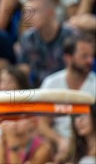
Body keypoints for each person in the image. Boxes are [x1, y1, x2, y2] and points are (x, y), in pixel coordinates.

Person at [38, 34, 96, 163]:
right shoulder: (51, 83)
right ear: (68, 58)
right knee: (43, 147)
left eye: (92, 56)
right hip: (57, 142)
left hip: (86, 142)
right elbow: (41, 123)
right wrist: (59, 140)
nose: (90, 61)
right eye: (84, 56)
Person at [17, 0, 77, 87]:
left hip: (66, 90)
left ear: (50, 12)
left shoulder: (71, 36)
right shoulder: (27, 39)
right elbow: (23, 69)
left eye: (34, 11)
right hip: (39, 93)